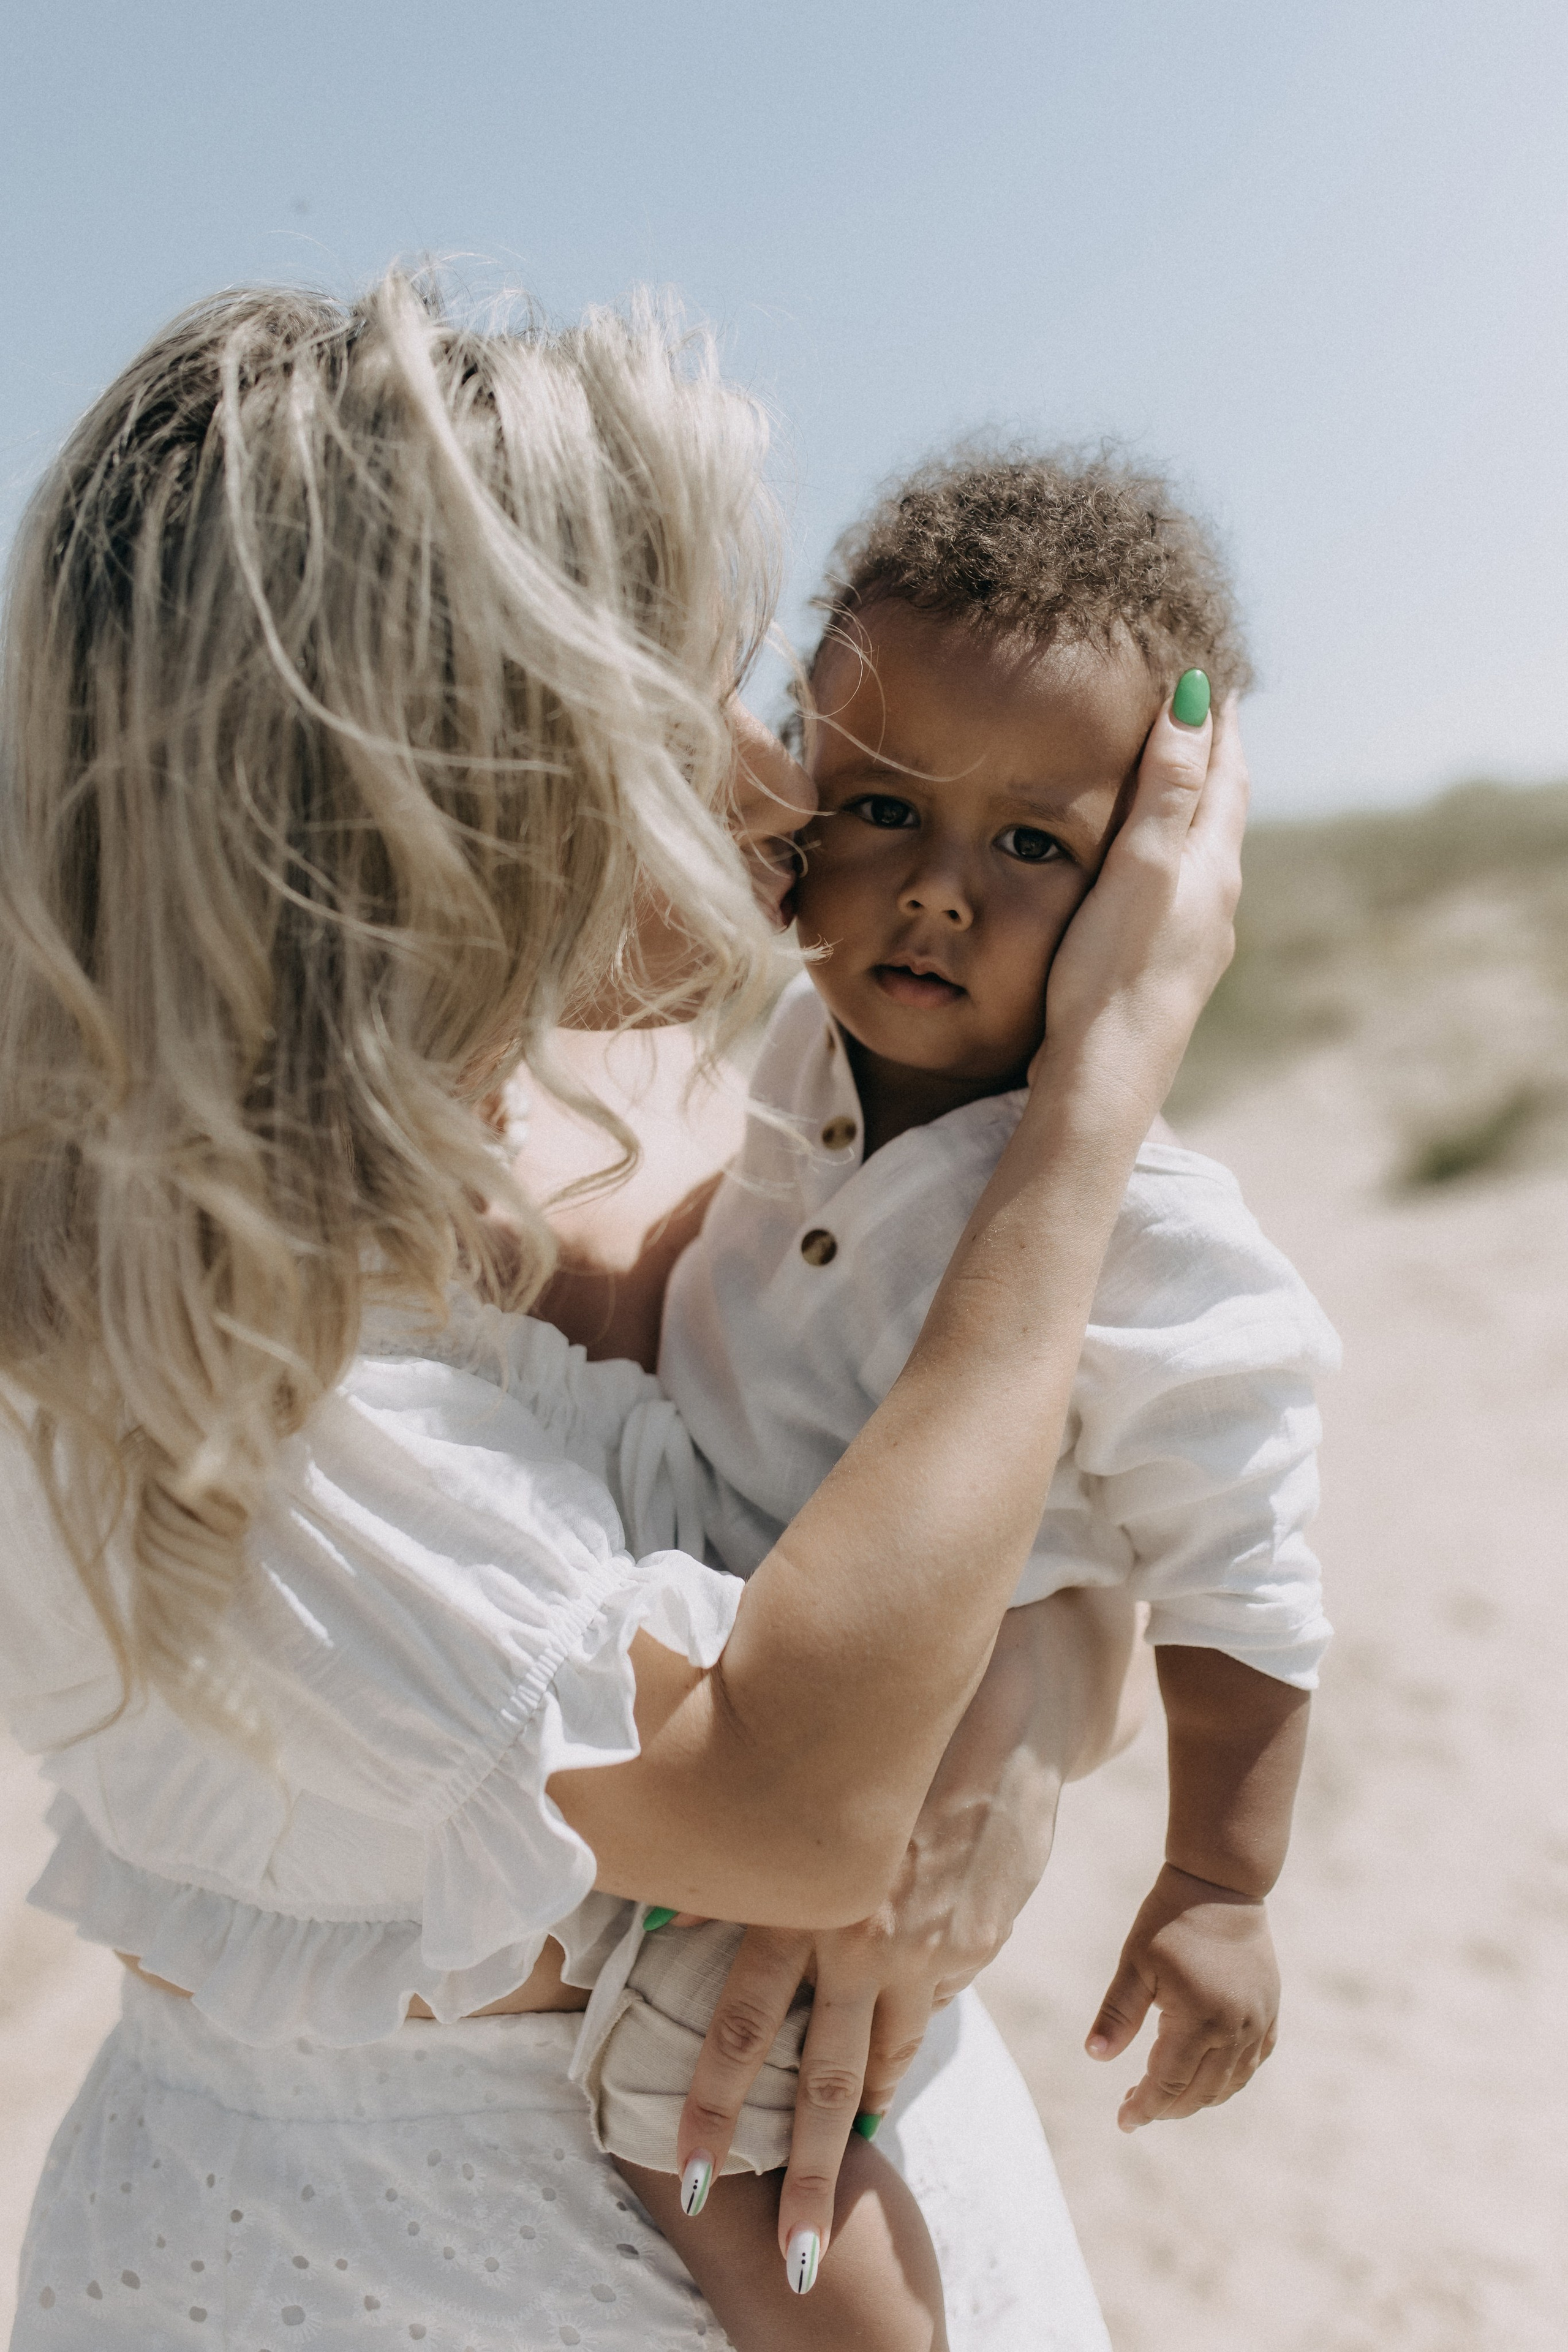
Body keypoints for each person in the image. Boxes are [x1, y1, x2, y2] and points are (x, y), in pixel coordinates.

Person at [0, 280, 1244, 2352]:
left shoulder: (690, 1125)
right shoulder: (190, 1357)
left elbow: (1069, 1502)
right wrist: (1099, 1091)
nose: (780, 779)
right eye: (703, 691)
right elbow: (788, 1795)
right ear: (457, 778)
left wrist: (1015, 1719)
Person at [565, 452, 1336, 2344]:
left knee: (726, 2151)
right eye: (885, 807)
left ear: (1154, 885)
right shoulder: (773, 1053)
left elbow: (1245, 1560)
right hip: (708, 1713)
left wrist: (1218, 1882)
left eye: (1031, 848)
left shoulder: (1143, 1226)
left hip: (873, 1766)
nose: (931, 892)